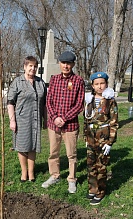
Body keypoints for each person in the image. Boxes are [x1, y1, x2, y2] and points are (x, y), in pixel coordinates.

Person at [41, 51, 85, 193]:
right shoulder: (54, 79)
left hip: (70, 125)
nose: (66, 66)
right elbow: (49, 101)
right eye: (63, 63)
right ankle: (55, 175)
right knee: (53, 152)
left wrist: (64, 118)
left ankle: (72, 178)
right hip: (54, 124)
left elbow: (79, 104)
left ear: (73, 64)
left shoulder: (78, 81)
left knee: (71, 154)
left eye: (69, 63)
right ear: (59, 64)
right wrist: (54, 117)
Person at [7, 56, 47, 182]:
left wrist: (45, 119)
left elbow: (44, 103)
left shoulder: (40, 83)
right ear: (24, 67)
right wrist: (12, 120)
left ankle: (31, 171)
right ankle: (24, 172)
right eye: (30, 66)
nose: (33, 69)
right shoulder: (17, 82)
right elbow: (10, 102)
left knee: (33, 145)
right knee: (23, 146)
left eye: (35, 66)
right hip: (22, 119)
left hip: (35, 119)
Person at [83, 72, 119, 205]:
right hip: (91, 137)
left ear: (106, 84)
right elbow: (85, 120)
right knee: (91, 165)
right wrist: (85, 138)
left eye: (102, 83)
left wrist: (110, 142)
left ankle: (101, 191)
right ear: (92, 85)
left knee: (101, 166)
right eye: (96, 84)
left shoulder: (110, 101)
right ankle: (93, 188)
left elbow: (114, 122)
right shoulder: (89, 100)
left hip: (103, 138)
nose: (99, 86)